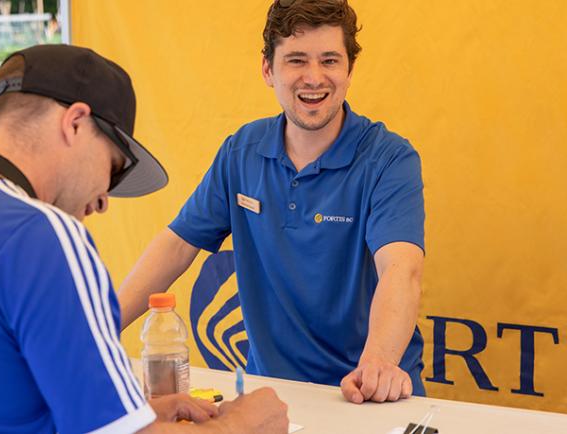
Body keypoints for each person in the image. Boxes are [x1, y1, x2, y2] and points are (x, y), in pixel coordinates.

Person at [0, 44, 287, 433]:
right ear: (76, 123)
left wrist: (140, 413)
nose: (103, 202)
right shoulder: (41, 234)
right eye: (113, 169)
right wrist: (246, 425)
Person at [119, 0, 426, 405]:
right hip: (272, 397)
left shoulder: (389, 158)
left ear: (349, 70)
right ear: (268, 69)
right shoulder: (241, 151)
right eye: (296, 60)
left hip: (368, 393)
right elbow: (177, 244)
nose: (314, 78)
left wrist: (378, 364)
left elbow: (401, 269)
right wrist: (99, 329)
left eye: (329, 60)